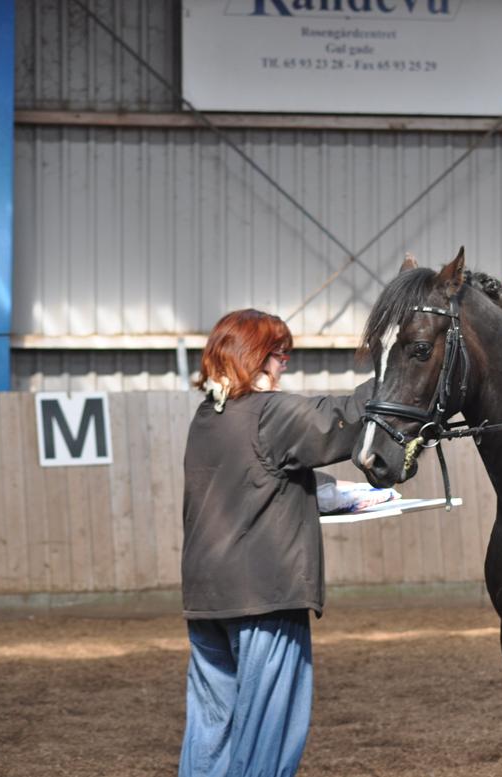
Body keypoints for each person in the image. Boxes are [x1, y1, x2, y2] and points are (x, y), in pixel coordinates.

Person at [179, 308, 372, 777]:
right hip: (264, 597)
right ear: (257, 356)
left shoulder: (207, 418)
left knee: (210, 730)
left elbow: (258, 478)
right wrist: (402, 370)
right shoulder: (271, 412)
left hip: (207, 600)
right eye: (280, 353)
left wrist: (331, 493)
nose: (285, 363)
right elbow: (343, 418)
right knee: (268, 733)